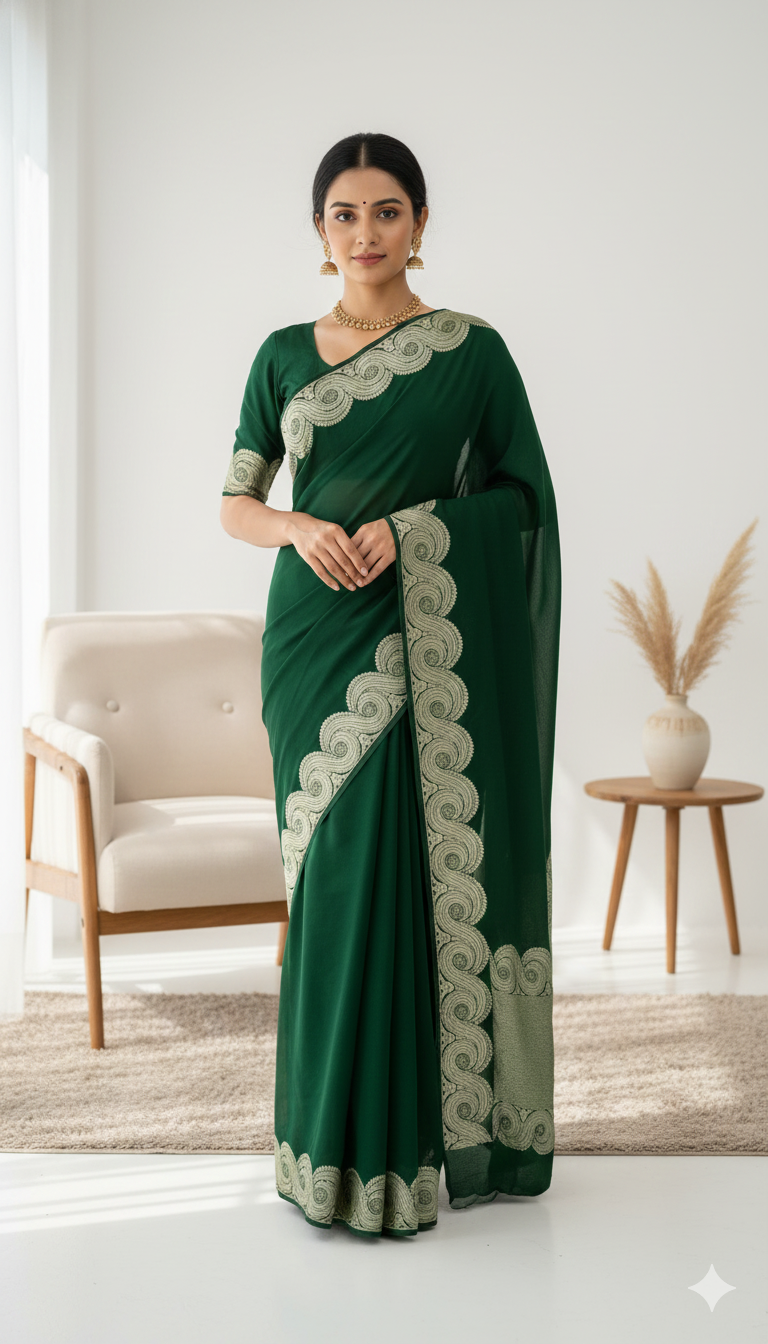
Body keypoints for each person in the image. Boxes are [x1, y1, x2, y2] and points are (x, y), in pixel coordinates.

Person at [220, 131, 561, 1238]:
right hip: (312, 640)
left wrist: (413, 531)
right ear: (319, 231)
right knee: (328, 887)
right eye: (344, 214)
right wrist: (301, 528)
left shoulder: (471, 352)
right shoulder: (281, 354)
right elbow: (235, 501)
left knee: (394, 877)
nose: (365, 233)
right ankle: (322, 1148)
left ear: (420, 222)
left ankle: (405, 1152)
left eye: (387, 211)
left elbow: (522, 503)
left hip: (420, 637)